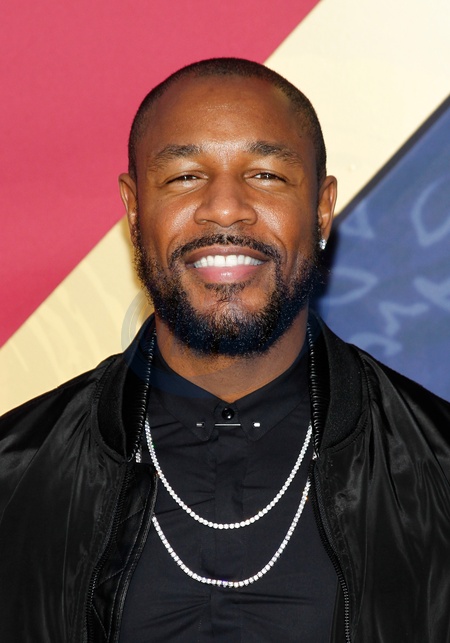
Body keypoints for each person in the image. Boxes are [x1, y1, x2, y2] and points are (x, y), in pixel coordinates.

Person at [0, 58, 449, 643]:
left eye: (266, 174)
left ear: (321, 208)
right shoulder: (15, 477)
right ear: (135, 210)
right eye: (185, 176)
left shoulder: (437, 473)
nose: (225, 207)